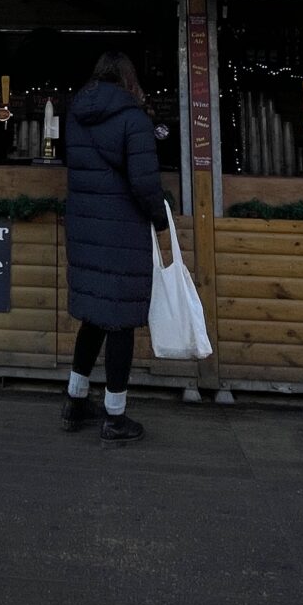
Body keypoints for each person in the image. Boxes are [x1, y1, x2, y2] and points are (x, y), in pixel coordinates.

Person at [61, 50, 171, 443]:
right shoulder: (134, 119)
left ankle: (76, 401)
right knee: (121, 322)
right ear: (129, 79)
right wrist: (160, 218)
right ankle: (115, 415)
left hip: (85, 229)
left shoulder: (75, 114)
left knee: (94, 317)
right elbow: (144, 183)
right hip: (122, 232)